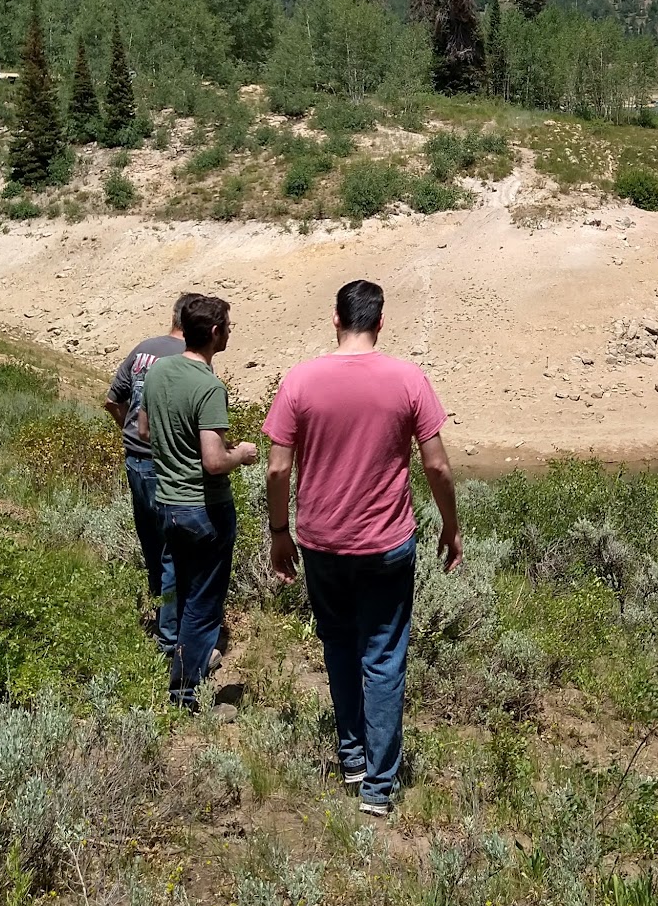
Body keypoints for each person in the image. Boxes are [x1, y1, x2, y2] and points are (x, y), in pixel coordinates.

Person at [264, 279, 459, 817]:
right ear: (380, 321)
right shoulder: (408, 379)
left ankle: (352, 758)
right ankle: (378, 786)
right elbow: (437, 465)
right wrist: (451, 525)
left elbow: (278, 468)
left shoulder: (300, 380)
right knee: (384, 655)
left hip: (321, 542)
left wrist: (279, 531)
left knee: (339, 645)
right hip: (387, 543)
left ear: (335, 318)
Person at [142, 292, 258, 709]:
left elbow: (143, 431)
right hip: (205, 509)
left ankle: (179, 659)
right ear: (213, 332)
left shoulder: (159, 371)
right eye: (227, 327)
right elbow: (213, 461)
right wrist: (241, 454)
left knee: (180, 587)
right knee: (204, 605)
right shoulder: (209, 387)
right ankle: (185, 693)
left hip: (167, 502)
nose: (229, 333)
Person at [104, 299, 192, 630]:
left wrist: (130, 430)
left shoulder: (143, 349)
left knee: (151, 543)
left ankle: (159, 611)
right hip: (165, 464)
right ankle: (171, 629)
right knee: (175, 549)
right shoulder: (188, 357)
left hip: (134, 459)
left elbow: (112, 400)